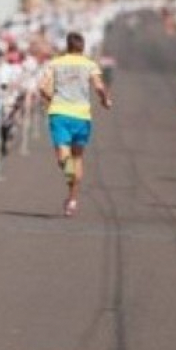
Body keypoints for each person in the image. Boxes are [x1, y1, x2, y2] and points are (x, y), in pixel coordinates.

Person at [39, 31, 112, 217]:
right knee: (77, 157)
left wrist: (50, 97)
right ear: (82, 46)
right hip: (81, 116)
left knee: (64, 157)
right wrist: (105, 100)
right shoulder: (89, 65)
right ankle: (72, 199)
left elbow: (42, 86)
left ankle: (67, 169)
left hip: (60, 112)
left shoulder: (56, 63)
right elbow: (99, 86)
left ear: (67, 45)